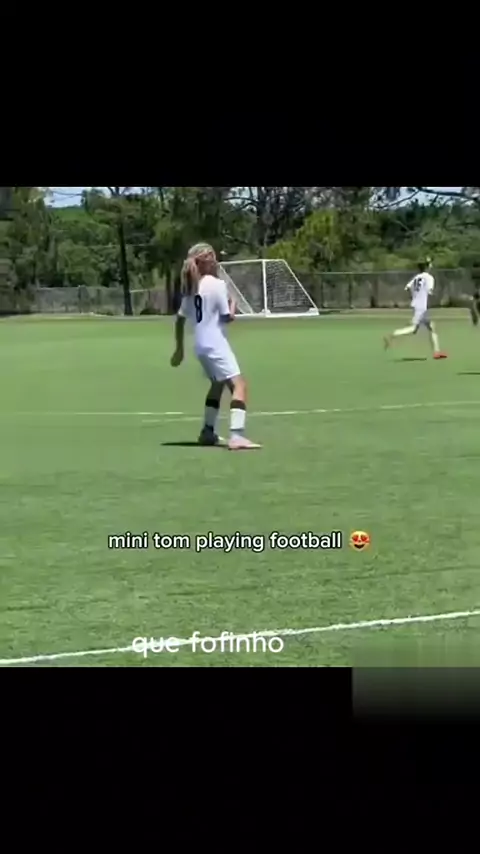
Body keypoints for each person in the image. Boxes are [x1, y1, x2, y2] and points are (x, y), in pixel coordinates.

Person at [170, 243, 261, 451]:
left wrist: (179, 349)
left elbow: (180, 319)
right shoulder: (217, 284)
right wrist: (233, 303)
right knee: (239, 385)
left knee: (217, 384)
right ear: (208, 261)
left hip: (200, 345)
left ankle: (207, 432)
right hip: (216, 343)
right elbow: (226, 317)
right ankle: (237, 436)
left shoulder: (191, 287)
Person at [384, 259, 447, 359]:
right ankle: (392, 335)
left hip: (417, 305)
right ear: (427, 267)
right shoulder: (429, 277)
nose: (431, 267)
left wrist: (415, 295)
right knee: (413, 329)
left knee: (431, 327)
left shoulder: (416, 277)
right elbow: (430, 291)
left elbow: (407, 288)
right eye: (429, 265)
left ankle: (436, 352)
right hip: (421, 307)